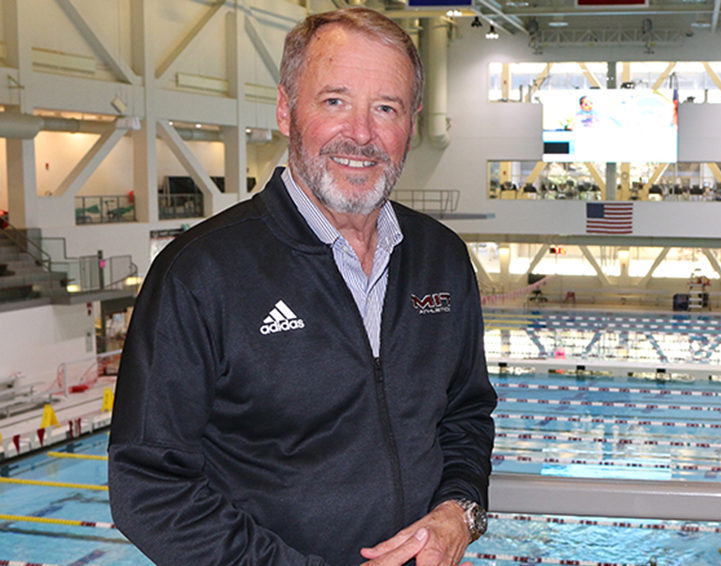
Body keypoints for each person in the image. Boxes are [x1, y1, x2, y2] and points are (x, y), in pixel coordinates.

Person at [108, 8, 497, 566]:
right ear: (287, 111)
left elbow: (466, 413)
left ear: (411, 122)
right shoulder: (200, 273)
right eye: (335, 101)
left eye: (385, 108)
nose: (361, 134)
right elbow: (148, 487)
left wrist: (459, 511)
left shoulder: (441, 257)